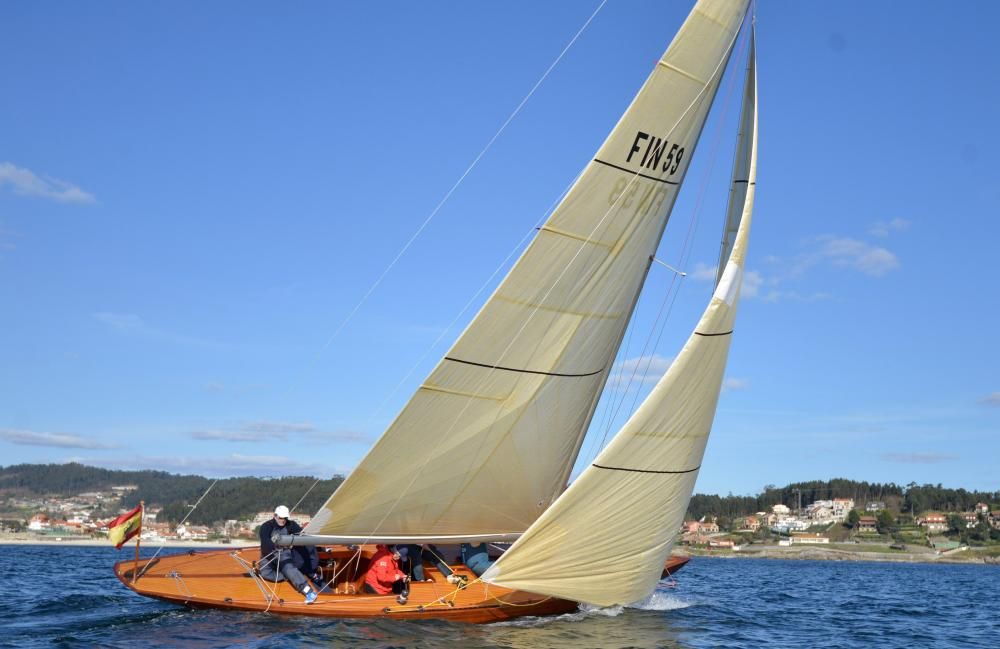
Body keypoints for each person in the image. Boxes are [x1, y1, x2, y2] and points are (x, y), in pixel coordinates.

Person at [258, 505, 318, 604]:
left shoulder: (291, 525)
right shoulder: (266, 526)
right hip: (269, 553)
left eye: (285, 518)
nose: (283, 520)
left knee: (289, 569)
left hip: (284, 553)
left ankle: (309, 592)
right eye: (281, 518)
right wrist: (272, 550)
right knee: (265, 573)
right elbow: (265, 541)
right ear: (275, 516)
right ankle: (289, 575)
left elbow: (301, 536)